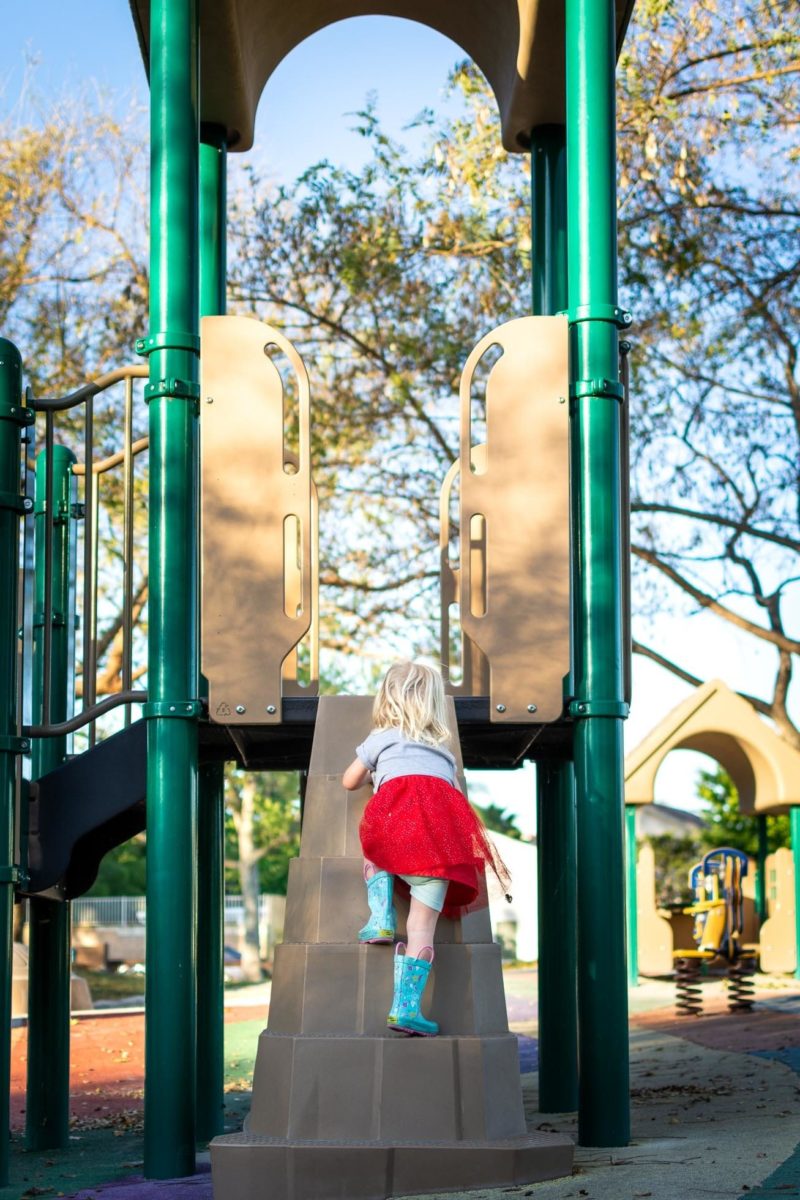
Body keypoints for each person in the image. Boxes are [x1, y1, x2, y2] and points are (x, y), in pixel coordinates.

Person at [342, 660, 510, 1037]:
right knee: (420, 930)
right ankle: (405, 1010)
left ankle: (381, 917)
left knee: (377, 844)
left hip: (397, 842)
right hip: (439, 854)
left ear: (386, 699)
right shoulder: (444, 755)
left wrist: (376, 773)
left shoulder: (381, 737)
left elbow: (349, 782)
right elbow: (452, 801)